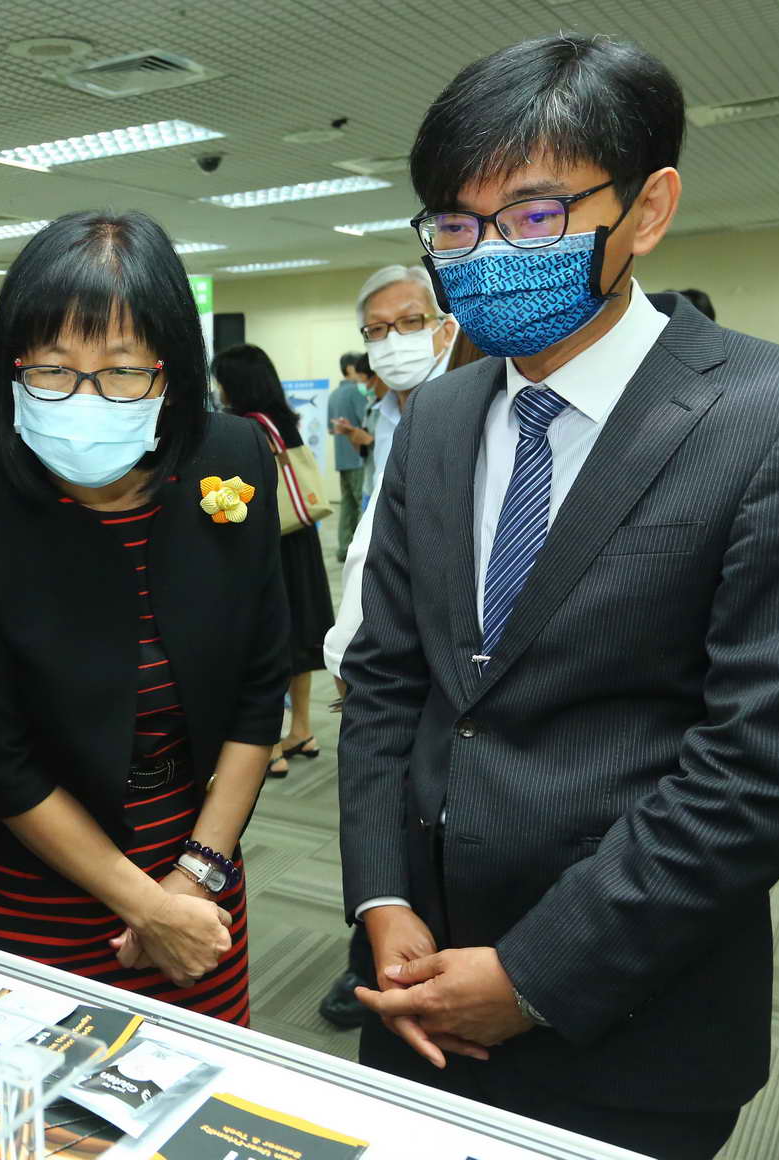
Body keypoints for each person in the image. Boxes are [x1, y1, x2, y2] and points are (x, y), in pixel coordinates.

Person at [338, 35, 779, 1160]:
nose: (486, 254)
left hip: (629, 1014)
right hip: (412, 983)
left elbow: (763, 765)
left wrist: (534, 973)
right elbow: (389, 676)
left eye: (535, 216)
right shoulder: (440, 419)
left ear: (646, 210)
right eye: (454, 224)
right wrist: (376, 899)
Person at [0, 211, 289, 1023]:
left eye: (122, 371)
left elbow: (258, 691)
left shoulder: (230, 459)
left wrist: (193, 877)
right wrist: (143, 905)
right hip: (21, 882)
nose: (84, 398)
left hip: (193, 869)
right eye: (51, 369)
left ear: (172, 373)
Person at [317, 329, 488, 1032]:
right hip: (413, 782)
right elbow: (377, 671)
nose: (390, 345)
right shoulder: (428, 430)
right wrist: (380, 898)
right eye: (375, 331)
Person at [213, 344, 336, 778]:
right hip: (300, 541)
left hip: (268, 545)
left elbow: (234, 499)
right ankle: (302, 730)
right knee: (301, 638)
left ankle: (269, 746)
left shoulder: (243, 429)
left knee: (270, 645)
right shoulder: (284, 422)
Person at [357, 265, 458, 504]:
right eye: (377, 328)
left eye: (411, 321)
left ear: (446, 332)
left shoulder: (472, 405)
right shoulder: (387, 414)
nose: (393, 339)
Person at [328, 352, 373, 559]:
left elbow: (331, 428)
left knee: (347, 504)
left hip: (341, 458)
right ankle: (358, 549)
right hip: (357, 457)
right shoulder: (356, 392)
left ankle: (343, 547)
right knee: (360, 504)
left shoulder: (334, 394)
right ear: (349, 369)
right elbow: (365, 422)